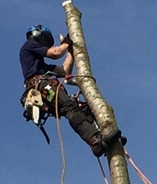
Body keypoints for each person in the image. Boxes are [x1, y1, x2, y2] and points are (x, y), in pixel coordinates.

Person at [19, 24, 123, 157]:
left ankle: (105, 136)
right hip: (41, 86)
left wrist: (71, 52)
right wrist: (65, 44)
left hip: (43, 87)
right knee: (70, 108)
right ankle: (95, 141)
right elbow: (55, 53)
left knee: (83, 109)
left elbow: (63, 71)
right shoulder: (29, 45)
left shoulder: (40, 65)